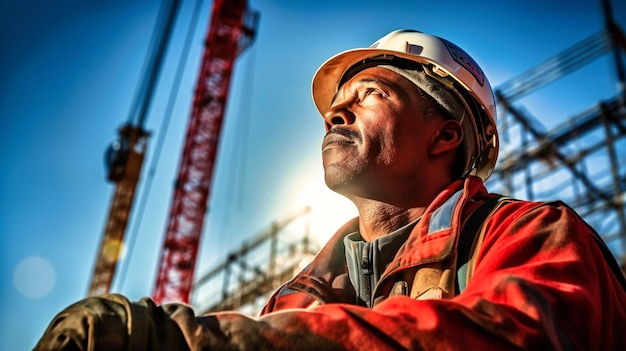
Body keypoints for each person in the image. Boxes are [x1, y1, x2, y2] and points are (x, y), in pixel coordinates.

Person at [34, 29, 626, 351]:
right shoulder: (296, 301)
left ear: (445, 135)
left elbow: (510, 336)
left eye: (371, 93)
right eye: (338, 101)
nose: (336, 111)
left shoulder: (534, 235)